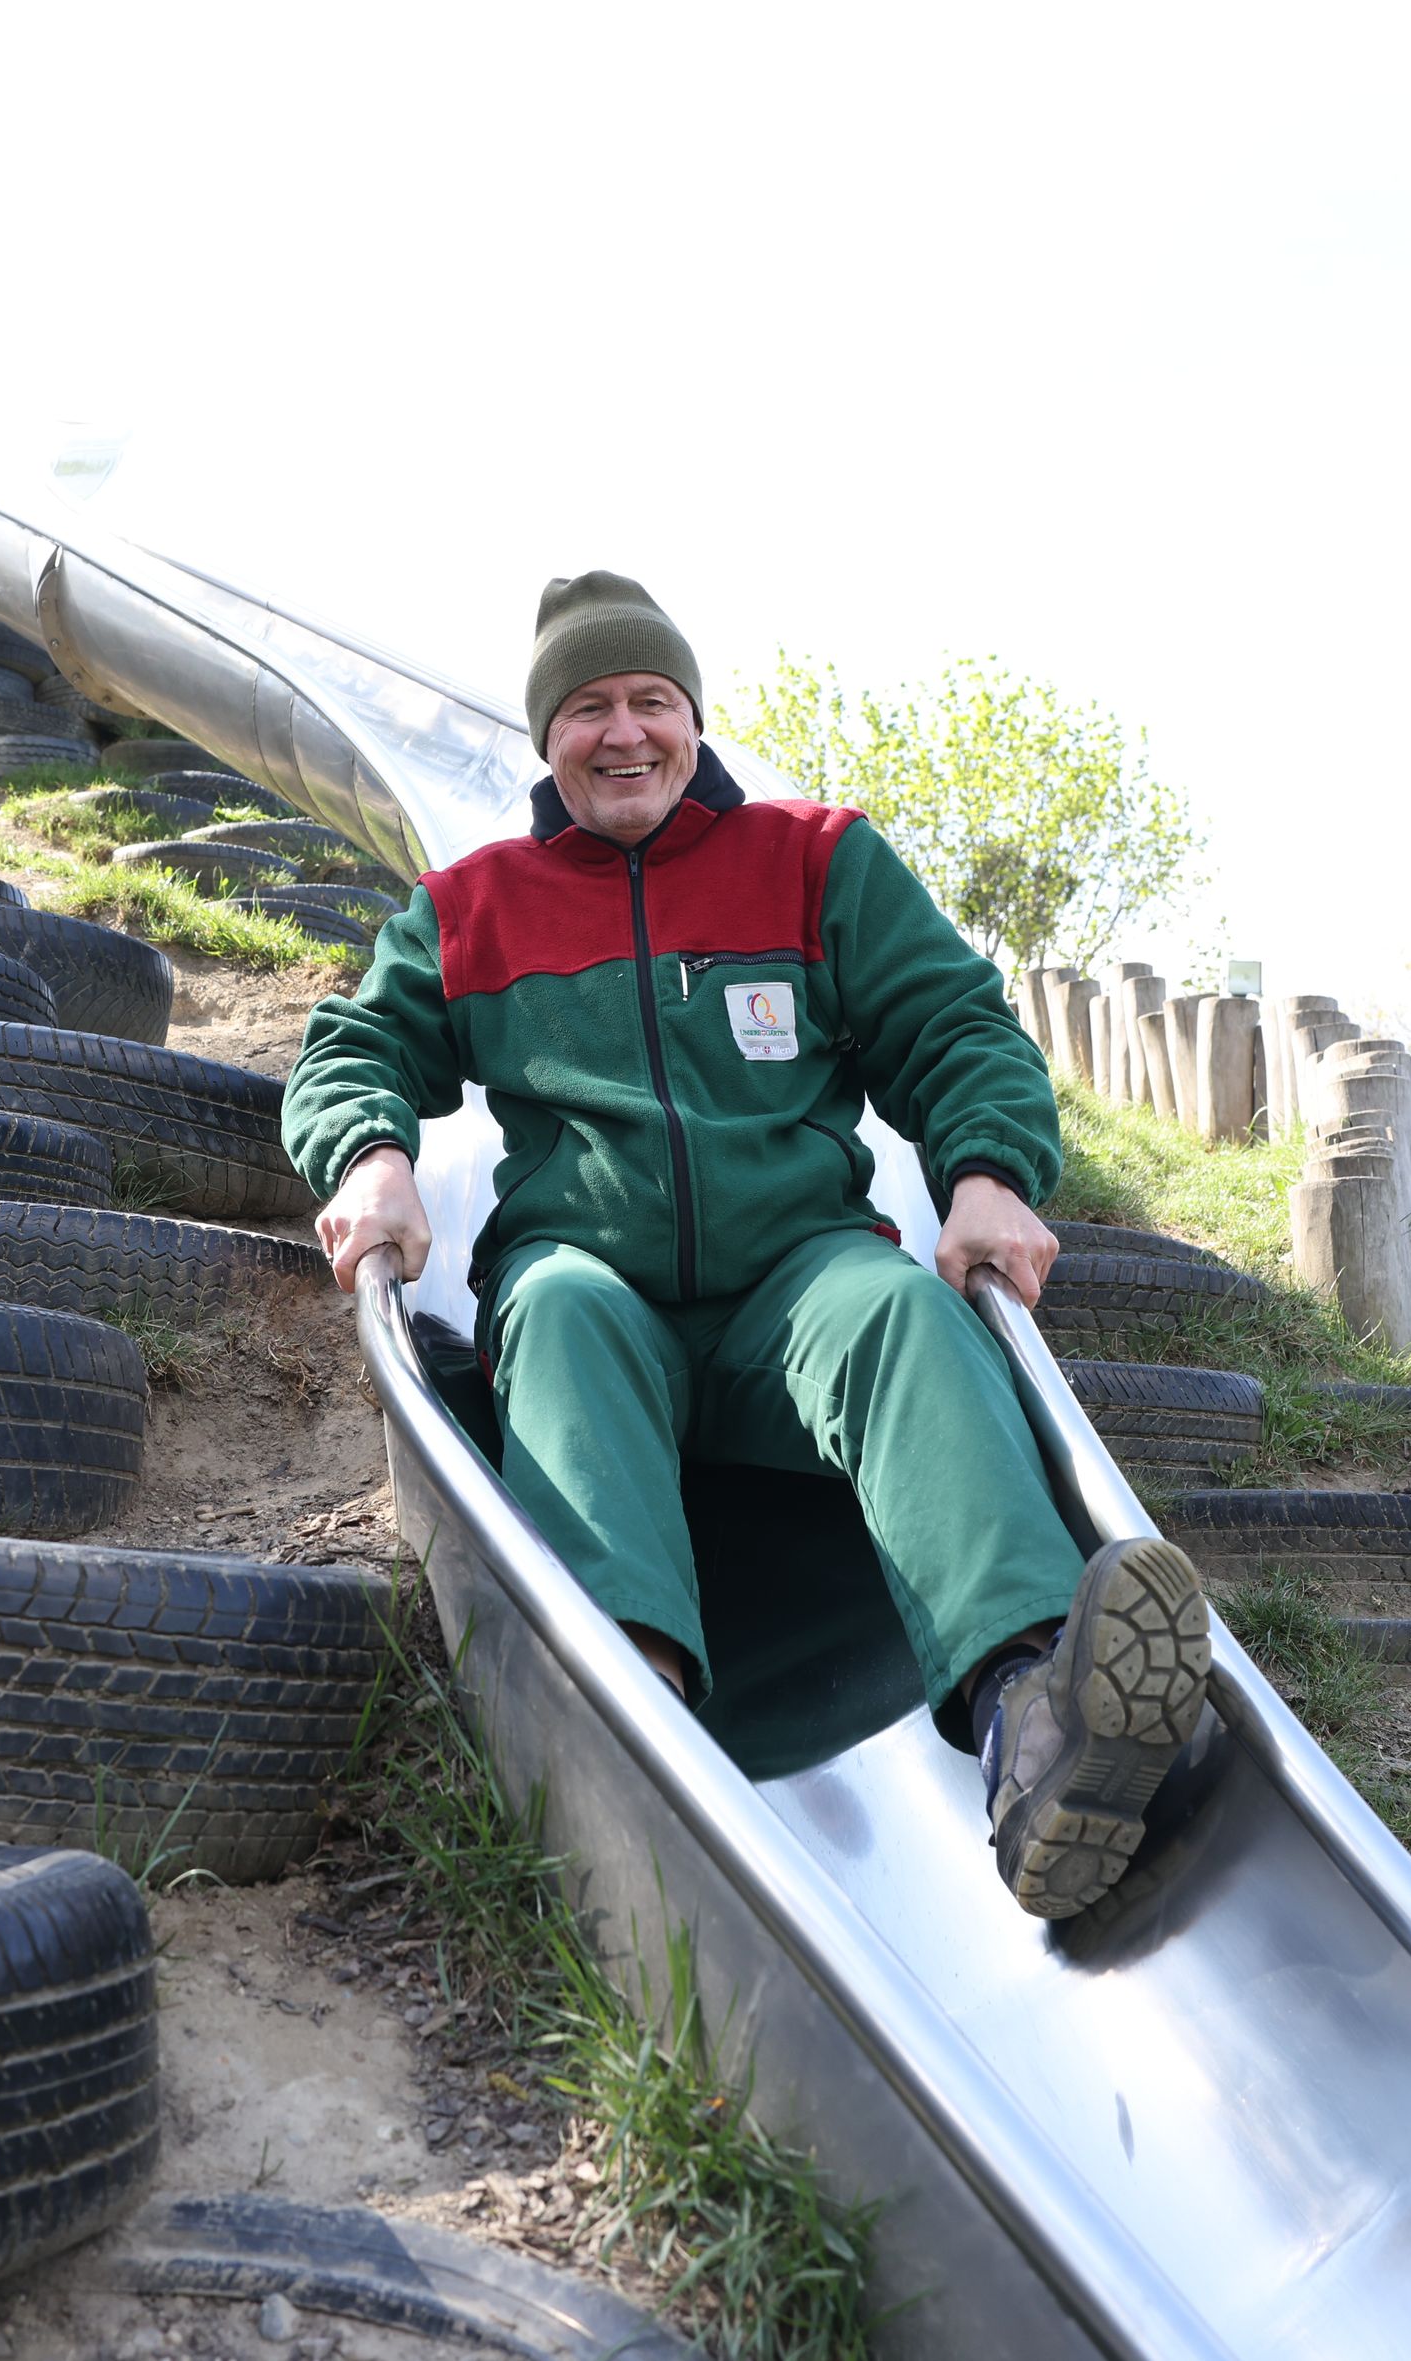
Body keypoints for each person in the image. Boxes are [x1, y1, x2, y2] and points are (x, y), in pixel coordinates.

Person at [284, 569, 1212, 1922]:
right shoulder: (477, 905)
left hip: (796, 1284)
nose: (625, 734)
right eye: (589, 708)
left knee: (898, 1308)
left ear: (693, 719)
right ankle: (635, 1719)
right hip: (598, 1282)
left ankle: (1037, 1717)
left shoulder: (815, 861)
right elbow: (354, 1044)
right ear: (547, 739)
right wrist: (371, 1156)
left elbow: (955, 1027)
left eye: (651, 700)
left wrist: (990, 1174)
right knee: (558, 1308)